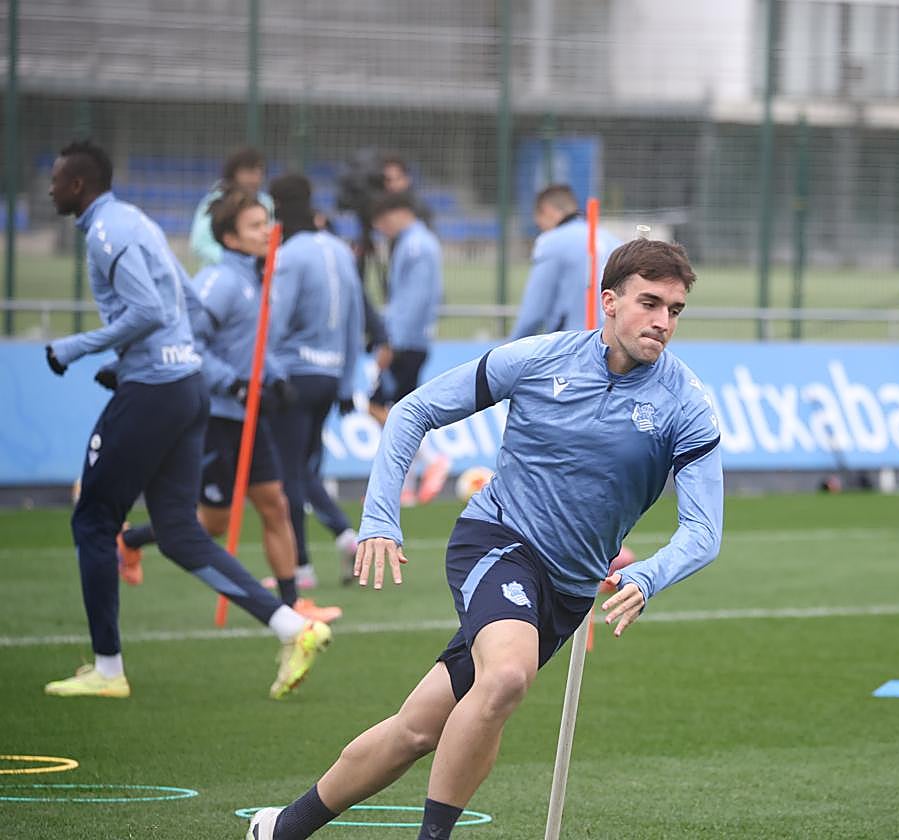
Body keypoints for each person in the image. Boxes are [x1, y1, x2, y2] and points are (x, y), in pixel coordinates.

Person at [245, 238, 724, 840]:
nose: (662, 321)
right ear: (607, 301)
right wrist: (379, 518)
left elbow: (705, 530)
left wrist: (649, 575)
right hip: (498, 541)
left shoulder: (686, 404)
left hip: (567, 593)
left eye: (674, 310)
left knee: (417, 729)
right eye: (649, 302)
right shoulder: (538, 359)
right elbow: (410, 412)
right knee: (505, 677)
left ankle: (282, 829)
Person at [43, 140, 330, 700]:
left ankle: (107, 671)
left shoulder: (108, 231)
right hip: (187, 388)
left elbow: (151, 310)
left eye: (56, 180)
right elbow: (184, 307)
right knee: (180, 531)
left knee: (94, 522)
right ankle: (293, 626)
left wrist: (77, 348)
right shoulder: (138, 223)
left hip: (156, 388)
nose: (51, 189)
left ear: (77, 185)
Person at [119, 189, 341, 625]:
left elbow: (256, 348)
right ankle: (130, 540)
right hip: (218, 417)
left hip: (250, 418)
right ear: (230, 238)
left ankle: (293, 602)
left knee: (274, 505)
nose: (267, 232)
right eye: (256, 226)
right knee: (213, 525)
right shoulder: (219, 282)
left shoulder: (260, 280)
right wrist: (233, 385)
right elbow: (189, 344)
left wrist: (275, 379)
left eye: (268, 222)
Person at [267, 173, 365, 586]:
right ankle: (345, 535)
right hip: (329, 375)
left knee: (286, 473)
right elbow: (355, 316)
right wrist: (347, 382)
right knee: (304, 467)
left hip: (293, 375)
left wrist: (268, 372)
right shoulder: (340, 251)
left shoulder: (290, 254)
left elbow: (274, 320)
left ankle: (301, 567)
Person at [367, 190, 450, 506]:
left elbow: (411, 301)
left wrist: (391, 342)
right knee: (403, 409)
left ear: (394, 214)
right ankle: (407, 487)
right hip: (414, 340)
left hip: (406, 343)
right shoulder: (422, 242)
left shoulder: (414, 245)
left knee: (378, 407)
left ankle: (432, 461)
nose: (383, 232)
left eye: (382, 224)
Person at [510, 184, 621, 340]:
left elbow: (533, 313)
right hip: (612, 343)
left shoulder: (551, 242)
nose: (538, 224)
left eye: (538, 218)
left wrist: (508, 350)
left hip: (572, 346)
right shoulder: (613, 241)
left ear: (547, 210)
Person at [189, 146, 274, 268]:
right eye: (249, 172)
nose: (255, 178)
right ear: (234, 172)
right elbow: (200, 244)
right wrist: (236, 262)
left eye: (259, 172)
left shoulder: (266, 202)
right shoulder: (217, 202)